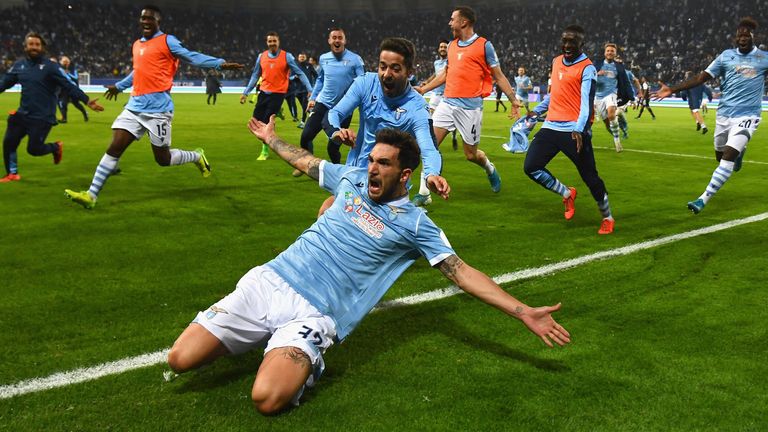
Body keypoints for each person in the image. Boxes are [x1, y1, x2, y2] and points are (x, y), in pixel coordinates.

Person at [166, 115, 571, 415]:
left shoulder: (415, 224)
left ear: (405, 174)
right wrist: (272, 139)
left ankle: (300, 360)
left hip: (316, 312)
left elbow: (462, 273)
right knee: (179, 359)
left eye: (383, 164)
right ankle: (259, 335)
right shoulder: (352, 179)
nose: (372, 168)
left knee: (267, 399)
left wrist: (522, 312)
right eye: (372, 160)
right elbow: (306, 161)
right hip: (270, 280)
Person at [64, 5, 243, 208]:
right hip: (134, 106)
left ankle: (196, 156)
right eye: (143, 18)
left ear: (158, 22)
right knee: (115, 147)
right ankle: (91, 195)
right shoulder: (137, 45)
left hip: (158, 110)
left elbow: (191, 56)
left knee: (163, 159)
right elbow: (137, 71)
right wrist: (119, 87)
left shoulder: (168, 41)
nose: (146, 21)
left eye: (150, 18)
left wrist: (219, 63)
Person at [321, 37, 448, 215]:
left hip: (389, 185)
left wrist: (431, 174)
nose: (386, 74)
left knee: (337, 217)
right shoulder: (365, 84)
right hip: (356, 172)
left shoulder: (417, 107)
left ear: (409, 72)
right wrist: (336, 132)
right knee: (327, 213)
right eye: (382, 67)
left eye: (395, 69)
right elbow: (334, 114)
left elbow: (430, 148)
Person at [654, 17, 768, 214]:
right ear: (735, 37)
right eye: (739, 33)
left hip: (748, 115)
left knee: (728, 157)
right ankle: (739, 153)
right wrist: (672, 89)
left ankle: (702, 199)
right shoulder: (725, 56)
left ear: (752, 36)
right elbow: (701, 78)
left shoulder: (763, 58)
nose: (742, 36)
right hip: (724, 115)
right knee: (720, 155)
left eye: (746, 34)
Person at [415, 6, 519, 204]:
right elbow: (446, 74)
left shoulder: (484, 45)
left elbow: (498, 75)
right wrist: (425, 89)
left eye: (452, 19)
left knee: (471, 155)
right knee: (429, 146)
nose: (449, 22)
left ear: (464, 22)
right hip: (447, 104)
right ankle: (424, 194)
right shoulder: (452, 46)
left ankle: (489, 168)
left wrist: (513, 99)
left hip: (470, 109)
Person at [523, 24, 615, 235]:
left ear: (581, 44)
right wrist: (535, 112)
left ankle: (607, 217)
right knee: (531, 167)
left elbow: (586, 103)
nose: (566, 45)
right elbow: (554, 95)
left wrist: (580, 129)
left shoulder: (588, 68)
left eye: (572, 41)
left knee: (590, 177)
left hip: (574, 130)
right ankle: (566, 193)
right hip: (551, 126)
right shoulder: (556, 62)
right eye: (564, 40)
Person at [0, 32, 103, 183]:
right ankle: (12, 174)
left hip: (42, 117)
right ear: (25, 47)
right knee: (9, 142)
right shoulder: (19, 65)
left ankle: (55, 147)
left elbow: (68, 85)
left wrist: (86, 100)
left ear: (42, 47)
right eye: (31, 44)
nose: (34, 47)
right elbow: (4, 83)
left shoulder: (51, 66)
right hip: (23, 114)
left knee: (33, 150)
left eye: (37, 44)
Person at [298, 28, 364, 175]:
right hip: (323, 104)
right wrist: (313, 98)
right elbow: (320, 79)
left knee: (333, 147)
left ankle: (339, 173)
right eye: (334, 37)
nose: (337, 40)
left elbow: (362, 82)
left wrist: (357, 102)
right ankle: (306, 164)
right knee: (305, 136)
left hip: (343, 109)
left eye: (340, 37)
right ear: (329, 40)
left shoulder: (355, 60)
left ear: (345, 41)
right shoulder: (324, 58)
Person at [240, 31, 313, 161]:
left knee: (265, 122)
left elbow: (300, 73)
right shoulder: (261, 57)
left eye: (274, 41)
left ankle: (265, 151)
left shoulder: (287, 56)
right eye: (270, 41)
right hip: (263, 93)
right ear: (267, 42)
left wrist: (309, 89)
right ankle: (278, 112)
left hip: (278, 94)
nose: (272, 43)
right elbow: (255, 75)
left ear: (278, 42)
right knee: (255, 121)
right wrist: (246, 93)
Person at [593, 43, 633, 152]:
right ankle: (617, 133)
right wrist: (597, 74)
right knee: (607, 124)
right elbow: (588, 77)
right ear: (605, 53)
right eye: (608, 51)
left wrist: (632, 98)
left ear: (615, 53)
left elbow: (626, 82)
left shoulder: (619, 66)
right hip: (598, 96)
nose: (610, 52)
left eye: (612, 51)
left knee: (611, 114)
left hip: (612, 93)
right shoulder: (597, 64)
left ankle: (617, 142)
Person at [420, 40, 458, 153]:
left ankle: (453, 135)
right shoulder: (436, 63)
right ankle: (433, 141)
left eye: (445, 47)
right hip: (436, 94)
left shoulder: (451, 62)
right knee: (431, 118)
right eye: (441, 47)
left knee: (448, 119)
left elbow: (445, 76)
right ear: (438, 49)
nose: (442, 49)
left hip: (447, 95)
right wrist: (427, 82)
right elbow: (436, 75)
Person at [58, 56, 89, 123]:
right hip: (65, 89)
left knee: (76, 104)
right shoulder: (60, 69)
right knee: (63, 103)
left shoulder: (73, 70)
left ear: (69, 62)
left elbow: (75, 78)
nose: (65, 63)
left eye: (66, 61)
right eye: (64, 62)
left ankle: (85, 114)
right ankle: (64, 118)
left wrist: (68, 73)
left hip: (73, 89)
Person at [295, 52, 317, 128]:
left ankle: (303, 122)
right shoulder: (295, 66)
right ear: (298, 58)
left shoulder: (309, 65)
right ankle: (314, 115)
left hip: (307, 90)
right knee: (305, 107)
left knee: (304, 106)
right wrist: (294, 77)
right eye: (300, 57)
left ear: (305, 58)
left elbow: (316, 75)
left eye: (303, 57)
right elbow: (290, 77)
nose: (302, 58)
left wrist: (314, 86)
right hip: (297, 91)